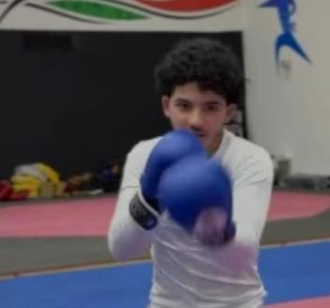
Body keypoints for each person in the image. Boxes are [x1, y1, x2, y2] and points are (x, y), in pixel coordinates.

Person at [108, 37, 274, 308]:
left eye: (211, 107)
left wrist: (210, 222)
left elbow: (242, 258)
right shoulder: (145, 155)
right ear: (166, 105)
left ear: (229, 112)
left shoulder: (249, 159)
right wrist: (150, 196)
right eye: (184, 106)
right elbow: (121, 249)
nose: (196, 120)